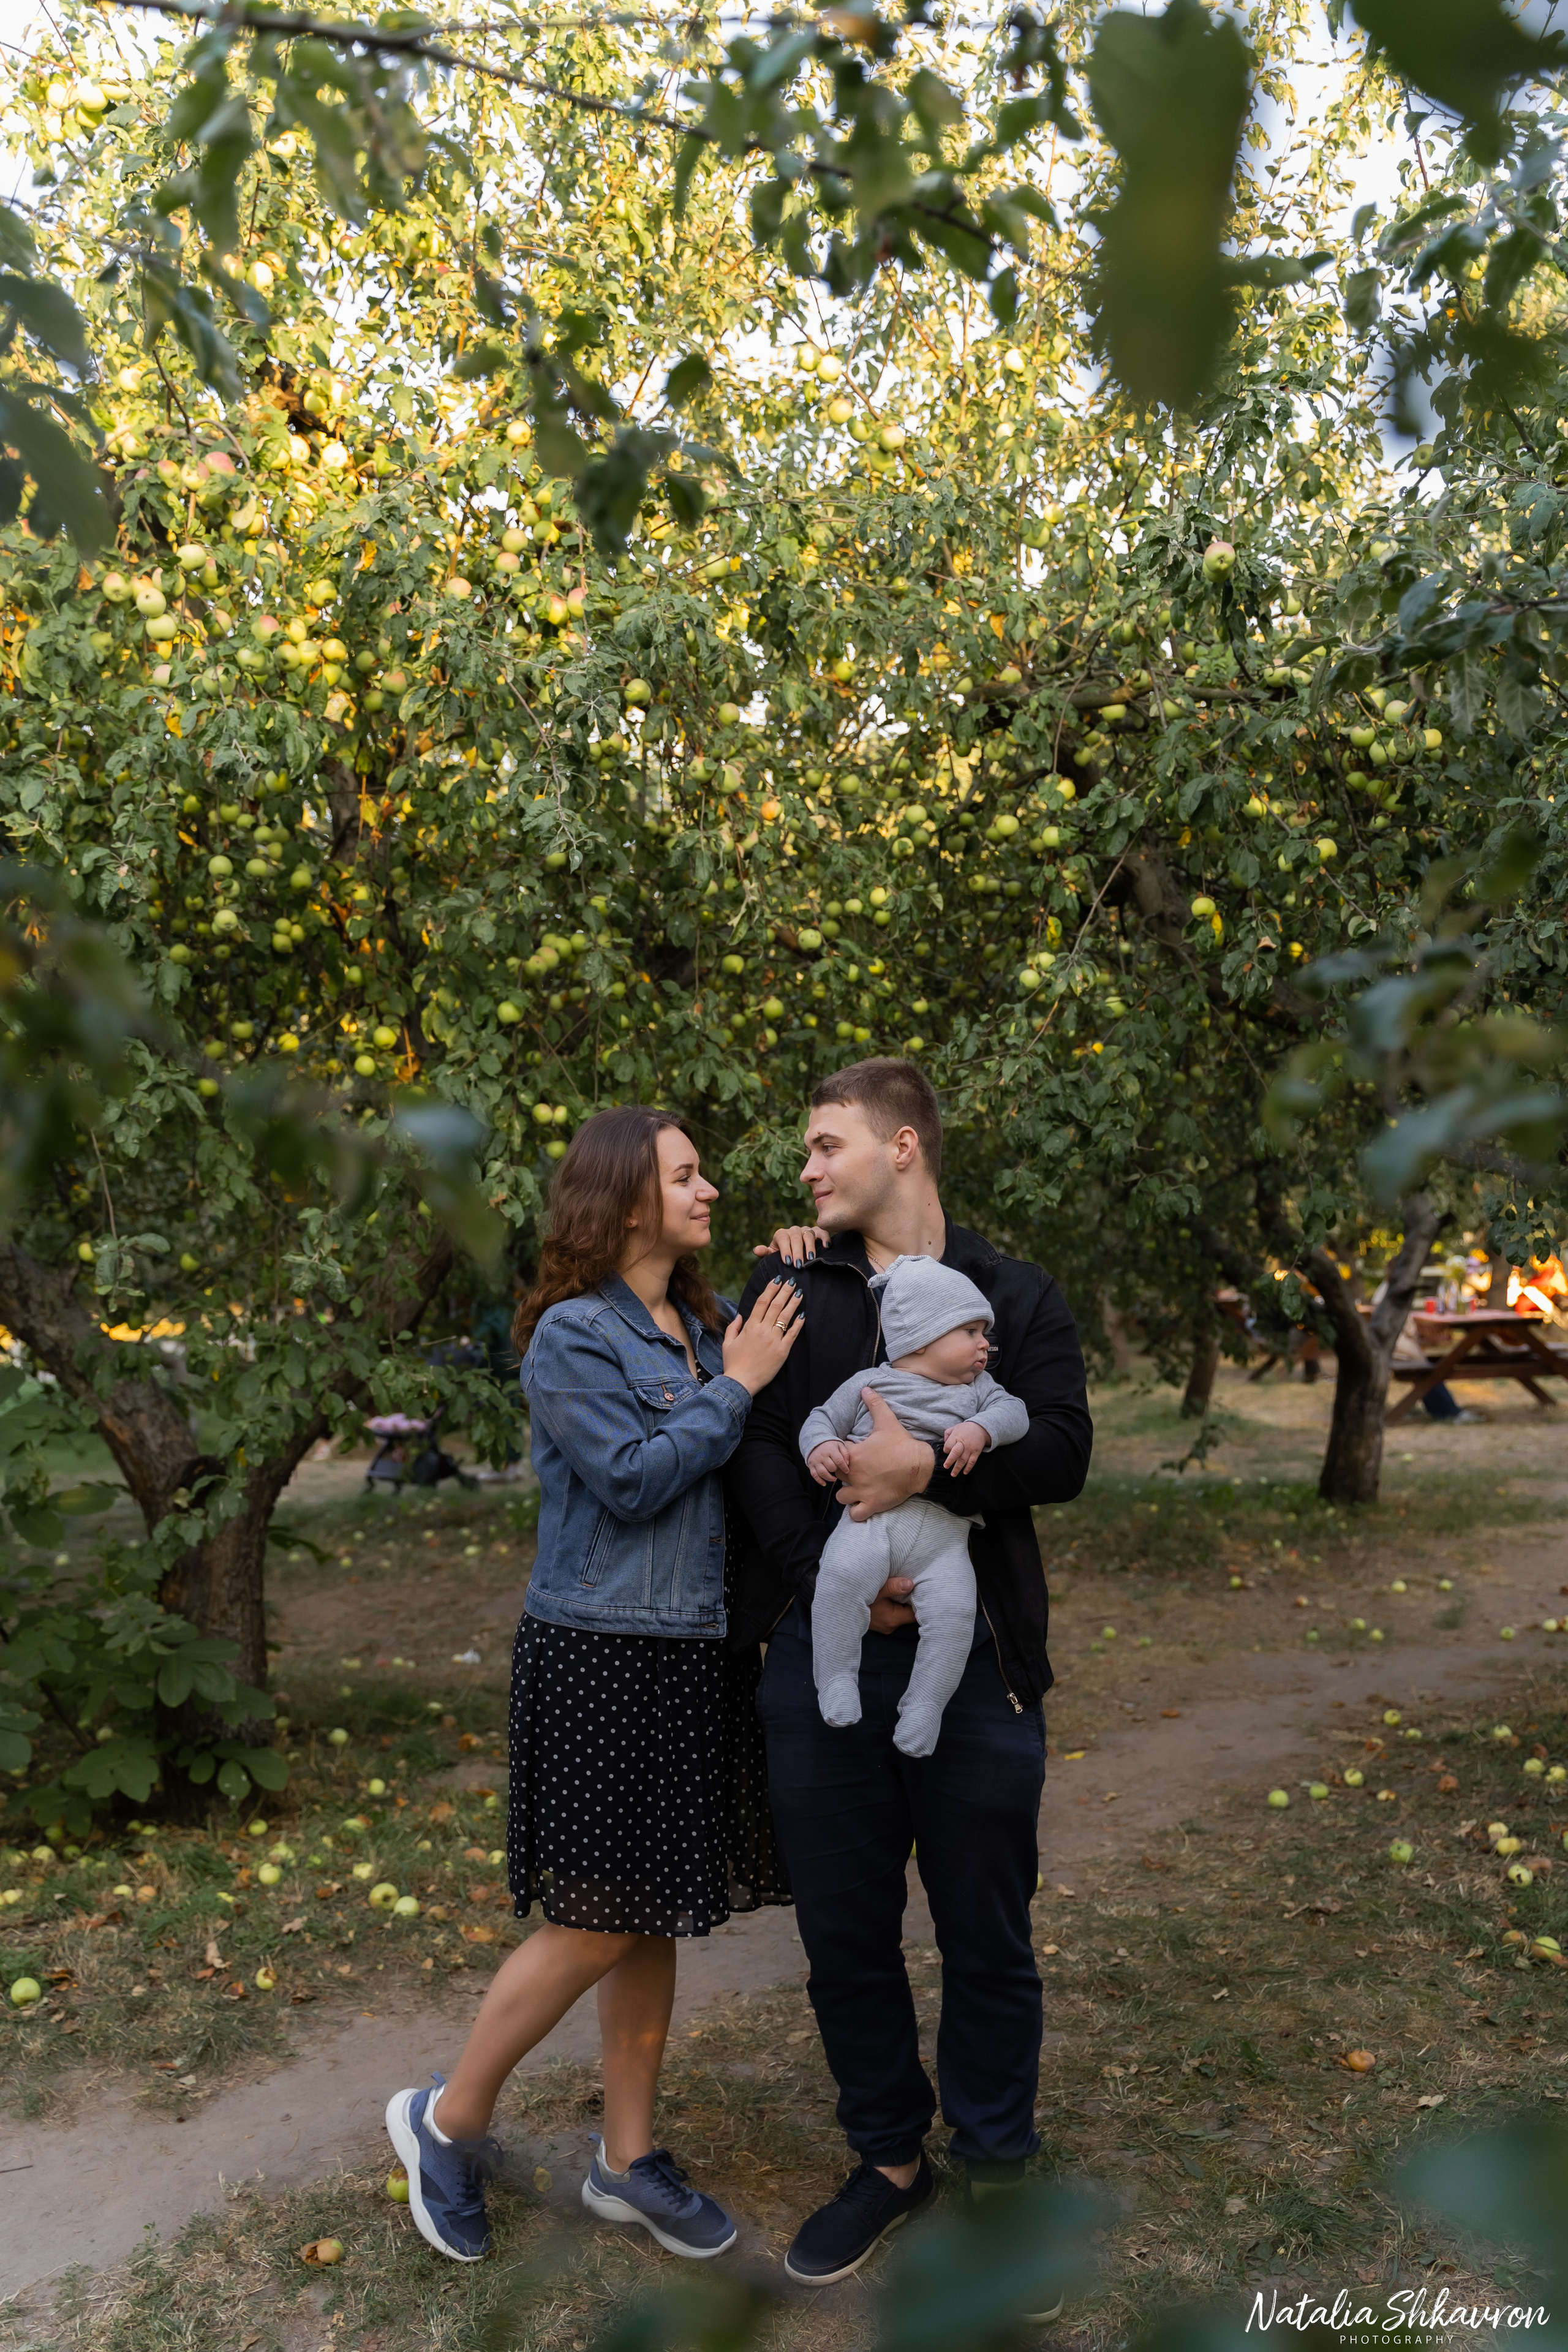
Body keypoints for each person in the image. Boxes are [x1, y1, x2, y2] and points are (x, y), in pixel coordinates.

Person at [386, 1106, 804, 2264]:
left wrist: (795, 1268)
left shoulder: (709, 1326)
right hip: (602, 1651)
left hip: (697, 1648)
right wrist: (738, 1386)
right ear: (624, 1202)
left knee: (649, 1909)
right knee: (592, 1920)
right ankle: (446, 2121)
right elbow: (629, 1478)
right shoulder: (574, 1337)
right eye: (686, 1175)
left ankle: (626, 2161)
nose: (709, 1190)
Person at [726, 1059, 1093, 2290]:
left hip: (976, 1662)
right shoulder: (787, 1286)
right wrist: (833, 1574)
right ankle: (889, 2161)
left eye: (825, 1145)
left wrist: (924, 1472)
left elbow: (1061, 1447)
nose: (805, 1170)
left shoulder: (1012, 1293)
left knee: (986, 1927)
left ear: (901, 1146)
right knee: (844, 1934)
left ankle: (995, 2166)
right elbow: (758, 1447)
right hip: (824, 1654)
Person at [800, 1254, 1030, 1755]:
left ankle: (926, 1706)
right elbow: (821, 1418)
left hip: (944, 1544)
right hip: (869, 1526)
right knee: (838, 1580)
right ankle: (836, 1677)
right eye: (970, 1331)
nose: (985, 1343)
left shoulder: (980, 1391)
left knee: (954, 1616)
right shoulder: (870, 1384)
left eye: (984, 1332)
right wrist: (822, 1446)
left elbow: (1016, 1413)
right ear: (923, 1338)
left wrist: (982, 1428)